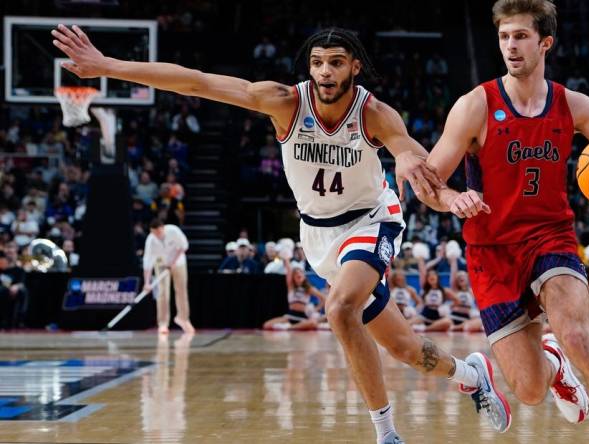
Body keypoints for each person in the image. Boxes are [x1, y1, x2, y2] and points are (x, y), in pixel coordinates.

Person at [53, 24, 510, 441]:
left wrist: (447, 196)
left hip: (372, 222)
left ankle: (386, 434)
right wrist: (107, 66)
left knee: (340, 308)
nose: (324, 72)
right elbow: (195, 80)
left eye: (334, 62)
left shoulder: (376, 115)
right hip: (318, 237)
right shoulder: (284, 101)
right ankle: (470, 375)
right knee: (405, 348)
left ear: (354, 66)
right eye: (316, 63)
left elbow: (417, 166)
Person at [416, 1, 589, 442]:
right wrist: (453, 199)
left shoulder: (573, 105)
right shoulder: (475, 106)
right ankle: (554, 366)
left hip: (551, 237)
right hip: (491, 251)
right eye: (505, 36)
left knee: (578, 336)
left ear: (545, 42)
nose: (511, 45)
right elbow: (430, 184)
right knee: (528, 390)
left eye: (521, 36)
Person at [142, 218, 195, 335]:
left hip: (178, 262)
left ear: (162, 228)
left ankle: (183, 319)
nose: (156, 235)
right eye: (153, 233)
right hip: (161, 264)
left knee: (181, 291)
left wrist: (173, 261)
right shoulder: (150, 240)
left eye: (158, 232)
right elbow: (147, 262)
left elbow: (184, 246)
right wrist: (147, 283)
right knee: (162, 292)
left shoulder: (173, 231)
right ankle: (163, 323)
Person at [263, 260, 325, 330]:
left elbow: (323, 298)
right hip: (290, 316)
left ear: (304, 276)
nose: (298, 274)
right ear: (293, 277)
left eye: (300, 273)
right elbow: (288, 270)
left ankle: (290, 328)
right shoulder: (291, 287)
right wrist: (286, 259)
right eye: (296, 274)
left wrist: (316, 309)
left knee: (313, 323)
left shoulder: (309, 288)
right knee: (266, 325)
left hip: (302, 316)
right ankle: (293, 327)